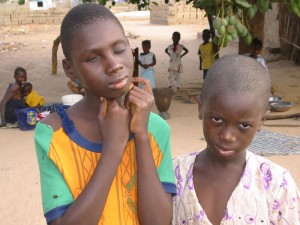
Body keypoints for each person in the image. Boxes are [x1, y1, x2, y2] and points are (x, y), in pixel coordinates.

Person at [34, 3, 176, 225]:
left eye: (119, 50)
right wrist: (113, 147)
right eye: (93, 58)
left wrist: (140, 135)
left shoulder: (155, 128)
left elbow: (158, 221)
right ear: (70, 70)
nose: (114, 65)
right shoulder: (53, 134)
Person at [172, 55, 300, 225]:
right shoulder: (175, 174)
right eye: (217, 119)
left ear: (262, 120)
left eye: (244, 125)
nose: (228, 136)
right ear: (201, 107)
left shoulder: (277, 185)